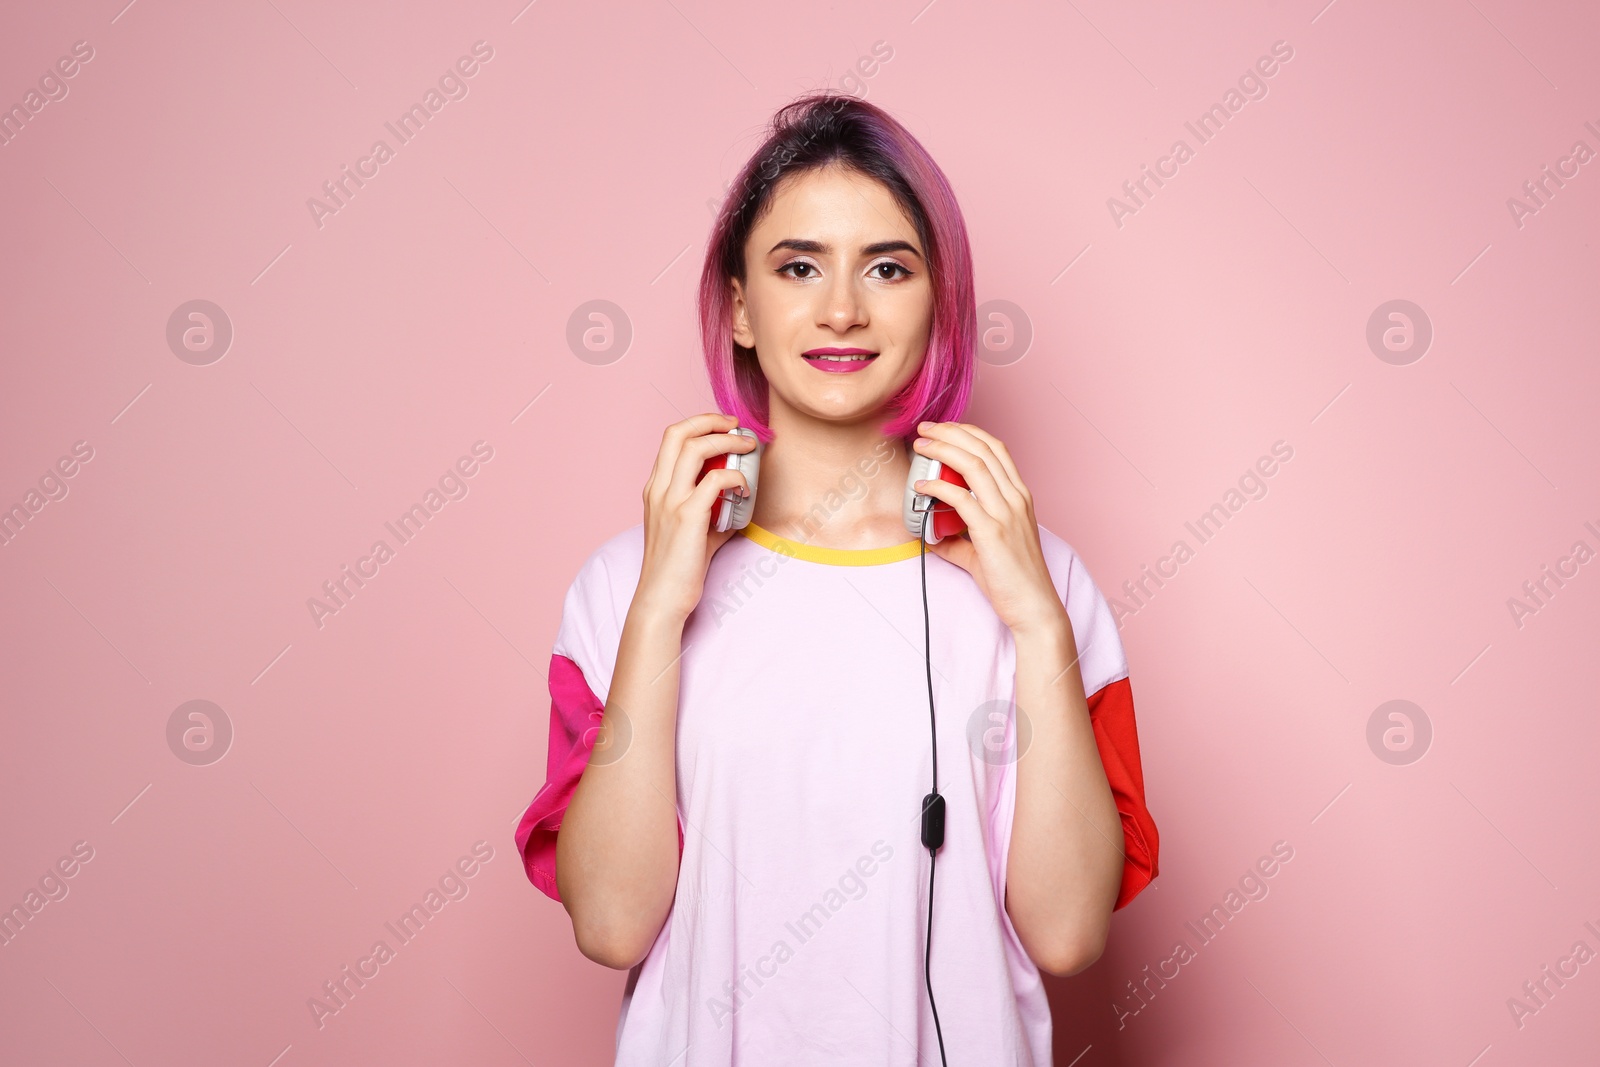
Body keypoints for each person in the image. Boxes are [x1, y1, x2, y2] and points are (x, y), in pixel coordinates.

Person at [515, 91, 1159, 1066]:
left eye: (888, 267)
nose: (842, 309)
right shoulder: (622, 588)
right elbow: (609, 921)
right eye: (798, 266)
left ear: (936, 301)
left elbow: (1069, 933)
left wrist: (1037, 623)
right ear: (738, 304)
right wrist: (659, 610)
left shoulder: (1042, 583)